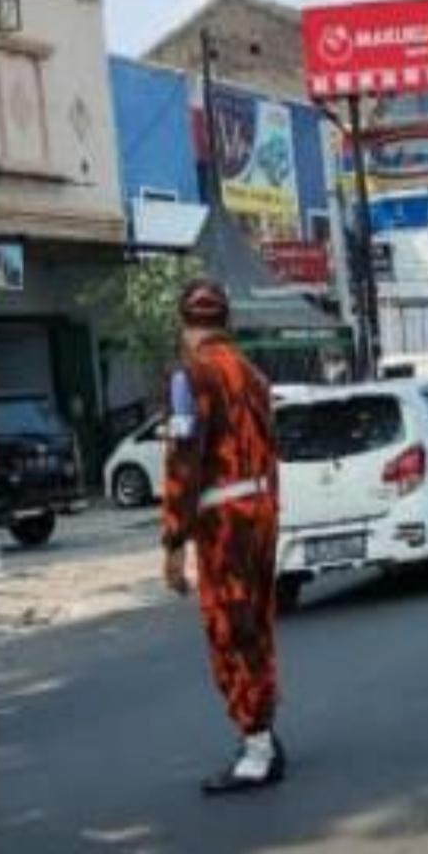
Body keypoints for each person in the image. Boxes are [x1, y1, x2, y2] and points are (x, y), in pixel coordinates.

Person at [163, 278, 285, 795]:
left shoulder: (190, 377)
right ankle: (264, 735)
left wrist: (174, 541)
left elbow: (182, 460)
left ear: (184, 325)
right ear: (226, 322)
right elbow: (272, 449)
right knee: (258, 626)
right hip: (261, 509)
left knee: (229, 632)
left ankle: (257, 749)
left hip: (224, 522)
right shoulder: (255, 376)